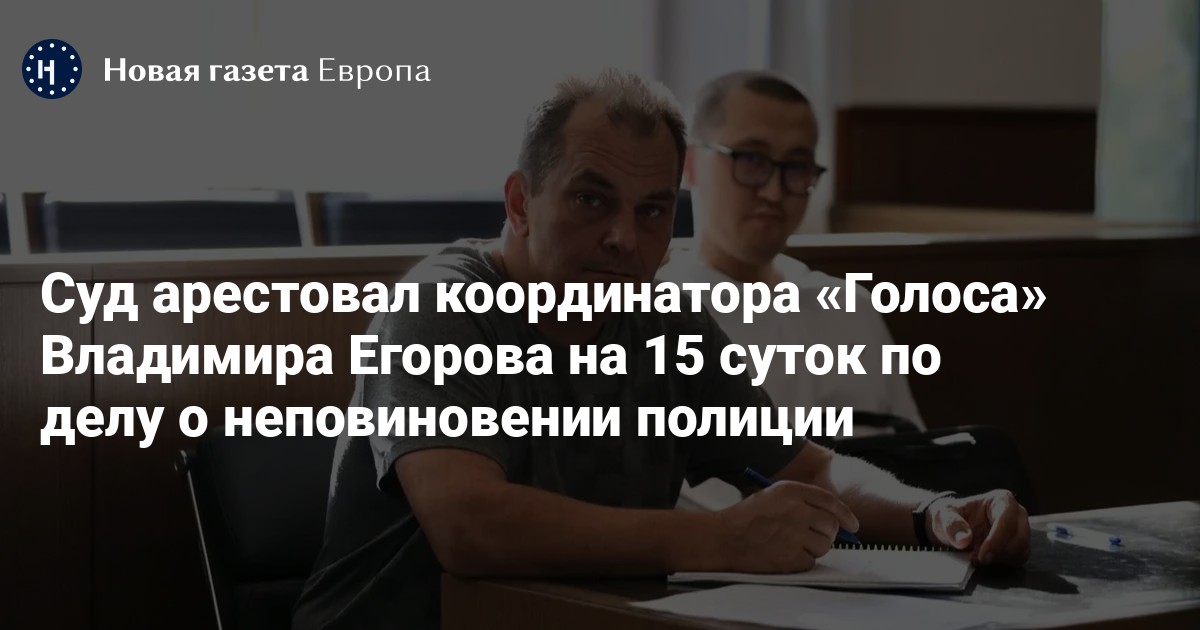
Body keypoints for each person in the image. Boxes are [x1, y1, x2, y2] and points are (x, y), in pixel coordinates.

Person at [291, 69, 1030, 630]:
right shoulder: (443, 303)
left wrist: (934, 511)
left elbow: (810, 469)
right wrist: (718, 539)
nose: (624, 237)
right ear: (519, 203)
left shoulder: (668, 324)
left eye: (652, 210)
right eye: (591, 199)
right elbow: (470, 527)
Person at [659, 71, 928, 511]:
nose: (774, 191)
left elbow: (917, 456)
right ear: (690, 165)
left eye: (797, 167)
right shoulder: (659, 310)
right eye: (751, 159)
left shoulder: (848, 306)